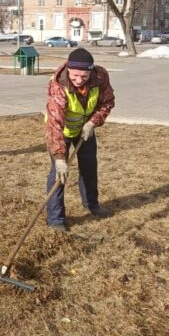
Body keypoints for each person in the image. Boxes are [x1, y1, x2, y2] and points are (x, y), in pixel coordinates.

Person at [45, 47, 115, 231]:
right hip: (62, 132)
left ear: (91, 71)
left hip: (85, 130)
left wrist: (93, 122)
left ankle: (92, 205)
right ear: (68, 69)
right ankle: (55, 219)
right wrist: (60, 158)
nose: (78, 80)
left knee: (89, 167)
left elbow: (107, 102)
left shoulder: (99, 77)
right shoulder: (58, 86)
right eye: (75, 75)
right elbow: (55, 124)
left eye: (84, 76)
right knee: (59, 175)